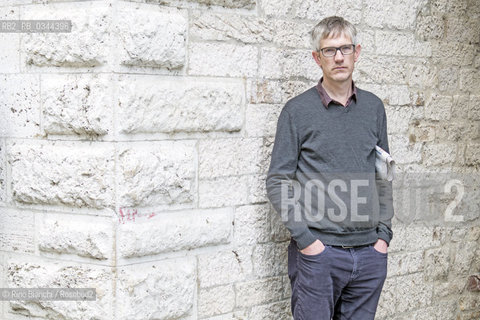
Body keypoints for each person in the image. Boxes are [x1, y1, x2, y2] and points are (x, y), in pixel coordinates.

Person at [266, 16, 394, 320]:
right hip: (319, 256)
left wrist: (383, 237)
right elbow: (277, 181)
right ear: (316, 58)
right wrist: (308, 242)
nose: (338, 57)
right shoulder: (297, 111)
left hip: (369, 255)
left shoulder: (374, 108)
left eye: (345, 48)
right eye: (329, 50)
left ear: (357, 52)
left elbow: (384, 174)